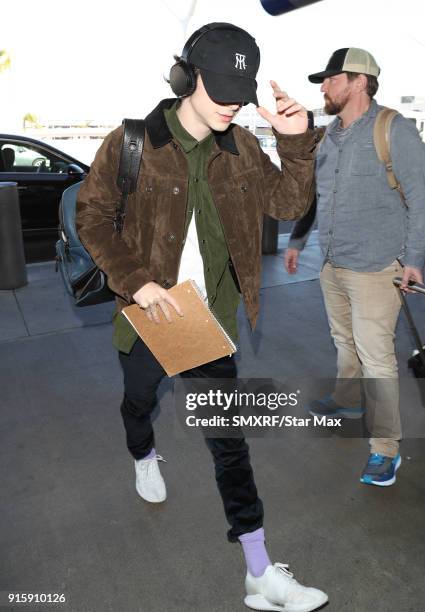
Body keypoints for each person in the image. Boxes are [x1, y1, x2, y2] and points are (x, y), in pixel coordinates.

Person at [76, 22, 327, 612]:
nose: (233, 103)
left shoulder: (241, 146)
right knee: (140, 402)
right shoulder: (132, 141)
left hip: (205, 322)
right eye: (220, 88)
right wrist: (137, 283)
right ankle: (142, 451)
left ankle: (260, 573)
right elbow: (92, 218)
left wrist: (294, 143)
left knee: (230, 446)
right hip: (146, 316)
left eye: (242, 90)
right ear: (186, 78)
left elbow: (287, 205)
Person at [285, 47, 425, 487]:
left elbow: (421, 198)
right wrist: (298, 239)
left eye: (331, 78)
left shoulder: (393, 130)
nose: (323, 87)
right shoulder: (329, 137)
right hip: (331, 263)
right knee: (344, 341)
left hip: (376, 267)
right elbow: (316, 196)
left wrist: (415, 260)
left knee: (377, 358)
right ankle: (348, 401)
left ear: (359, 81)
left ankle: (386, 451)